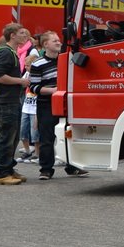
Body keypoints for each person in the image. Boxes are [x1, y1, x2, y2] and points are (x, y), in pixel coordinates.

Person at [30, 32, 87, 180]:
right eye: (54, 41)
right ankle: (46, 170)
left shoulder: (67, 61)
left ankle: (72, 167)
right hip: (46, 104)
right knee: (47, 137)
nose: (58, 42)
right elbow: (33, 87)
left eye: (58, 40)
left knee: (70, 134)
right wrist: (54, 91)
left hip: (66, 102)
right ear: (45, 45)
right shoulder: (37, 64)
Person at [0, 23, 31, 185]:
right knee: (5, 138)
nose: (25, 35)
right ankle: (1, 173)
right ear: (12, 35)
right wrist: (21, 81)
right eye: (21, 33)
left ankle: (9, 169)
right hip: (6, 102)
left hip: (11, 101)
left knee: (12, 138)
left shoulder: (10, 52)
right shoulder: (6, 53)